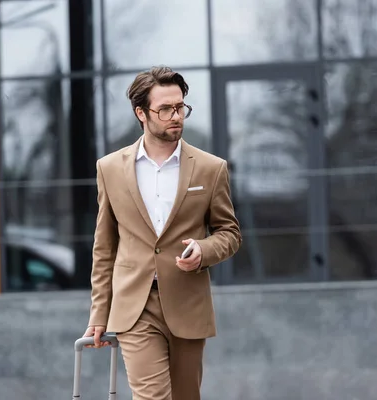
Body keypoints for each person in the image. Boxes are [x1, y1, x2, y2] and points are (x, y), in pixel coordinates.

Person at [82, 66, 242, 400]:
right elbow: (104, 246)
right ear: (141, 113)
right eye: (165, 109)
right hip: (134, 306)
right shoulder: (109, 168)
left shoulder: (211, 168)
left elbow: (229, 232)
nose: (176, 116)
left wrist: (204, 250)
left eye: (180, 107)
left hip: (187, 302)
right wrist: (99, 312)